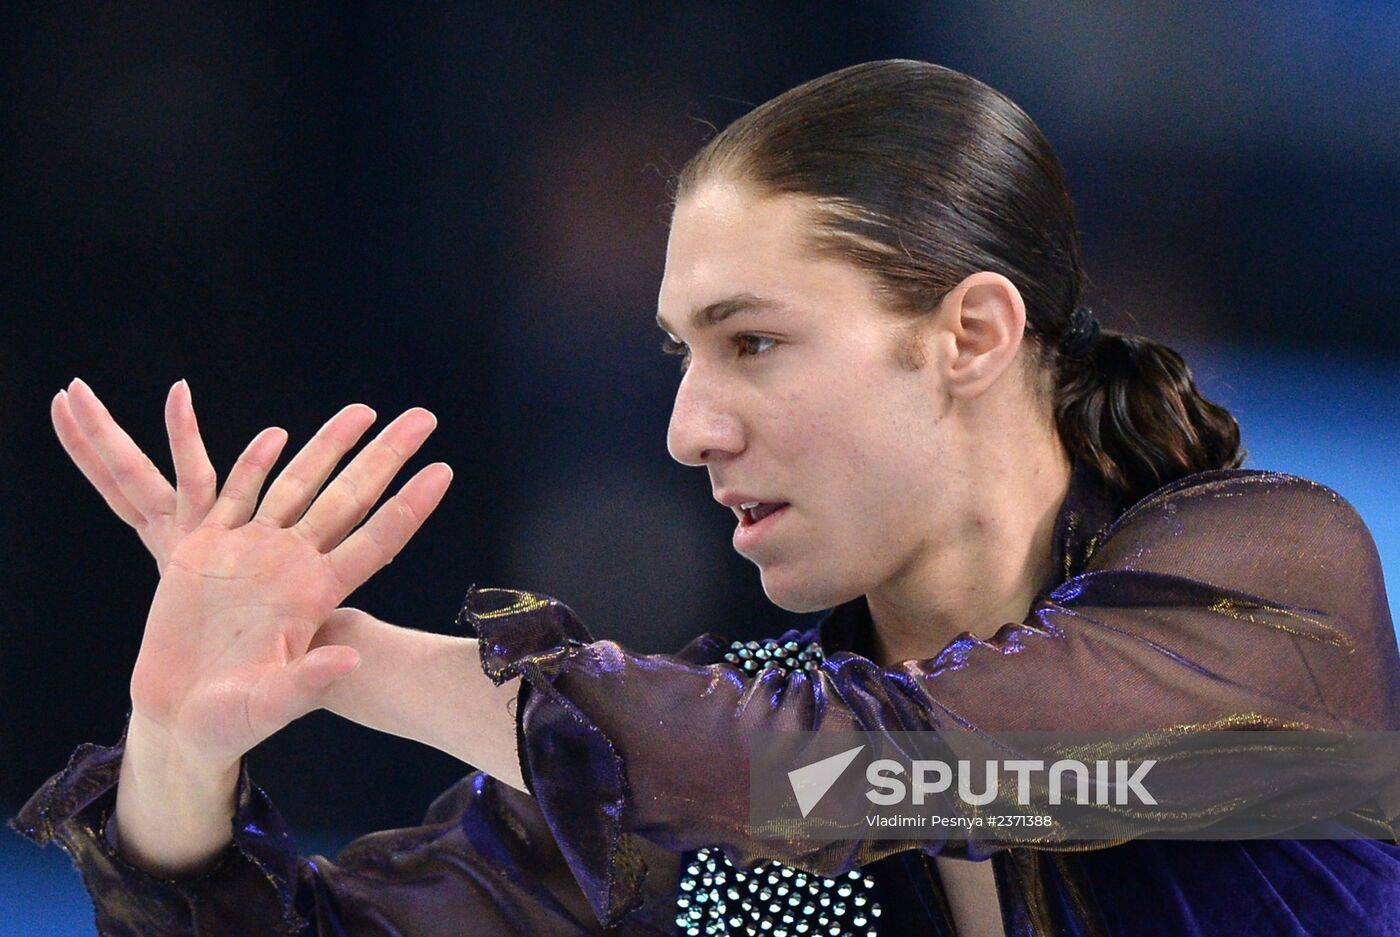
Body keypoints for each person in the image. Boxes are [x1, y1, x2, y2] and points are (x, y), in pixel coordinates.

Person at [11, 59, 1400, 936]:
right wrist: (180, 746)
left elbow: (871, 772)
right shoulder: (718, 786)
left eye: (753, 342)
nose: (684, 427)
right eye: (680, 355)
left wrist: (347, 654)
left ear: (973, 332)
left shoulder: (1280, 585)